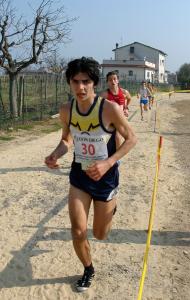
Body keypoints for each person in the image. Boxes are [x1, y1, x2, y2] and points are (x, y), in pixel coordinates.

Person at [45, 57, 137, 292]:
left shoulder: (109, 108)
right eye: (75, 82)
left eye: (85, 81)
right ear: (69, 83)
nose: (80, 87)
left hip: (105, 178)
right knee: (77, 230)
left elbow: (132, 139)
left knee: (100, 234)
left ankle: (110, 208)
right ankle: (88, 269)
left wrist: (108, 162)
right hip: (80, 176)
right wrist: (55, 154)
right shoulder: (67, 110)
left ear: (94, 82)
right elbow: (67, 139)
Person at [101, 71, 132, 148]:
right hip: (109, 118)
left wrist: (126, 108)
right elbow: (99, 106)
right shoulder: (105, 94)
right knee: (102, 137)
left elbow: (129, 98)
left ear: (118, 80)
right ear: (107, 82)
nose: (113, 81)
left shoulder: (124, 92)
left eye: (114, 79)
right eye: (110, 80)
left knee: (118, 138)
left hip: (120, 118)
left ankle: (117, 158)